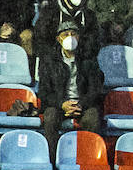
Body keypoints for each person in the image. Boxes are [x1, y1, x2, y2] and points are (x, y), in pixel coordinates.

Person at [38, 20, 104, 148]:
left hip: (82, 105)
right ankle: (52, 158)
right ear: (58, 39)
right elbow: (44, 91)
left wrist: (81, 104)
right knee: (50, 116)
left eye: (73, 34)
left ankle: (89, 157)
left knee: (93, 117)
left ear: (78, 37)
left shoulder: (88, 60)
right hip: (60, 105)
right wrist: (62, 104)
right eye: (65, 34)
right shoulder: (50, 61)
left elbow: (95, 89)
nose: (70, 38)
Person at [35, 0, 100, 63]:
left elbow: (93, 40)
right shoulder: (50, 12)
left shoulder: (88, 14)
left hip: (80, 59)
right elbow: (41, 39)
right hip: (55, 60)